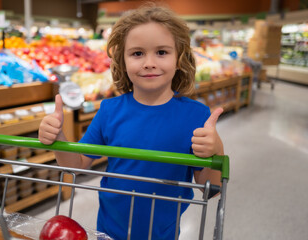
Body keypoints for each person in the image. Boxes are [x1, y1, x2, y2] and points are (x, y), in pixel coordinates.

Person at [39, 4, 224, 240]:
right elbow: (76, 164)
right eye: (137, 53)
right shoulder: (109, 110)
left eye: (162, 52)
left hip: (162, 235)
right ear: (122, 61)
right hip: (109, 231)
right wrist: (59, 139)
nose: (149, 62)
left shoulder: (196, 116)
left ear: (179, 59)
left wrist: (216, 149)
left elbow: (211, 190)